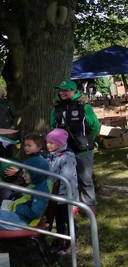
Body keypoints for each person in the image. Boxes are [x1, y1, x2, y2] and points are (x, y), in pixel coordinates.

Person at [50, 79, 100, 209]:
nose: (62, 93)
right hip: (64, 151)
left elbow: (95, 125)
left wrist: (88, 140)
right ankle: (74, 207)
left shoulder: (84, 106)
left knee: (86, 179)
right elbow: (52, 125)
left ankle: (89, 207)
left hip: (83, 149)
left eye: (66, 90)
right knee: (68, 180)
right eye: (60, 90)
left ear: (74, 91)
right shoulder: (56, 108)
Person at [0, 134, 50, 230]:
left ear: (35, 173)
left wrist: (17, 206)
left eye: (26, 173)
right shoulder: (35, 184)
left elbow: (34, 213)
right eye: (25, 145)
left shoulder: (40, 190)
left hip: (23, 221)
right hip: (19, 217)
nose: (23, 175)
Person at [45, 128, 78, 254]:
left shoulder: (66, 157)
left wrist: (61, 192)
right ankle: (60, 241)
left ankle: (72, 244)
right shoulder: (51, 156)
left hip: (66, 196)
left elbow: (67, 177)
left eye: (52, 143)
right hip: (56, 196)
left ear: (60, 143)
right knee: (58, 221)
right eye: (47, 142)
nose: (48, 145)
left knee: (68, 221)